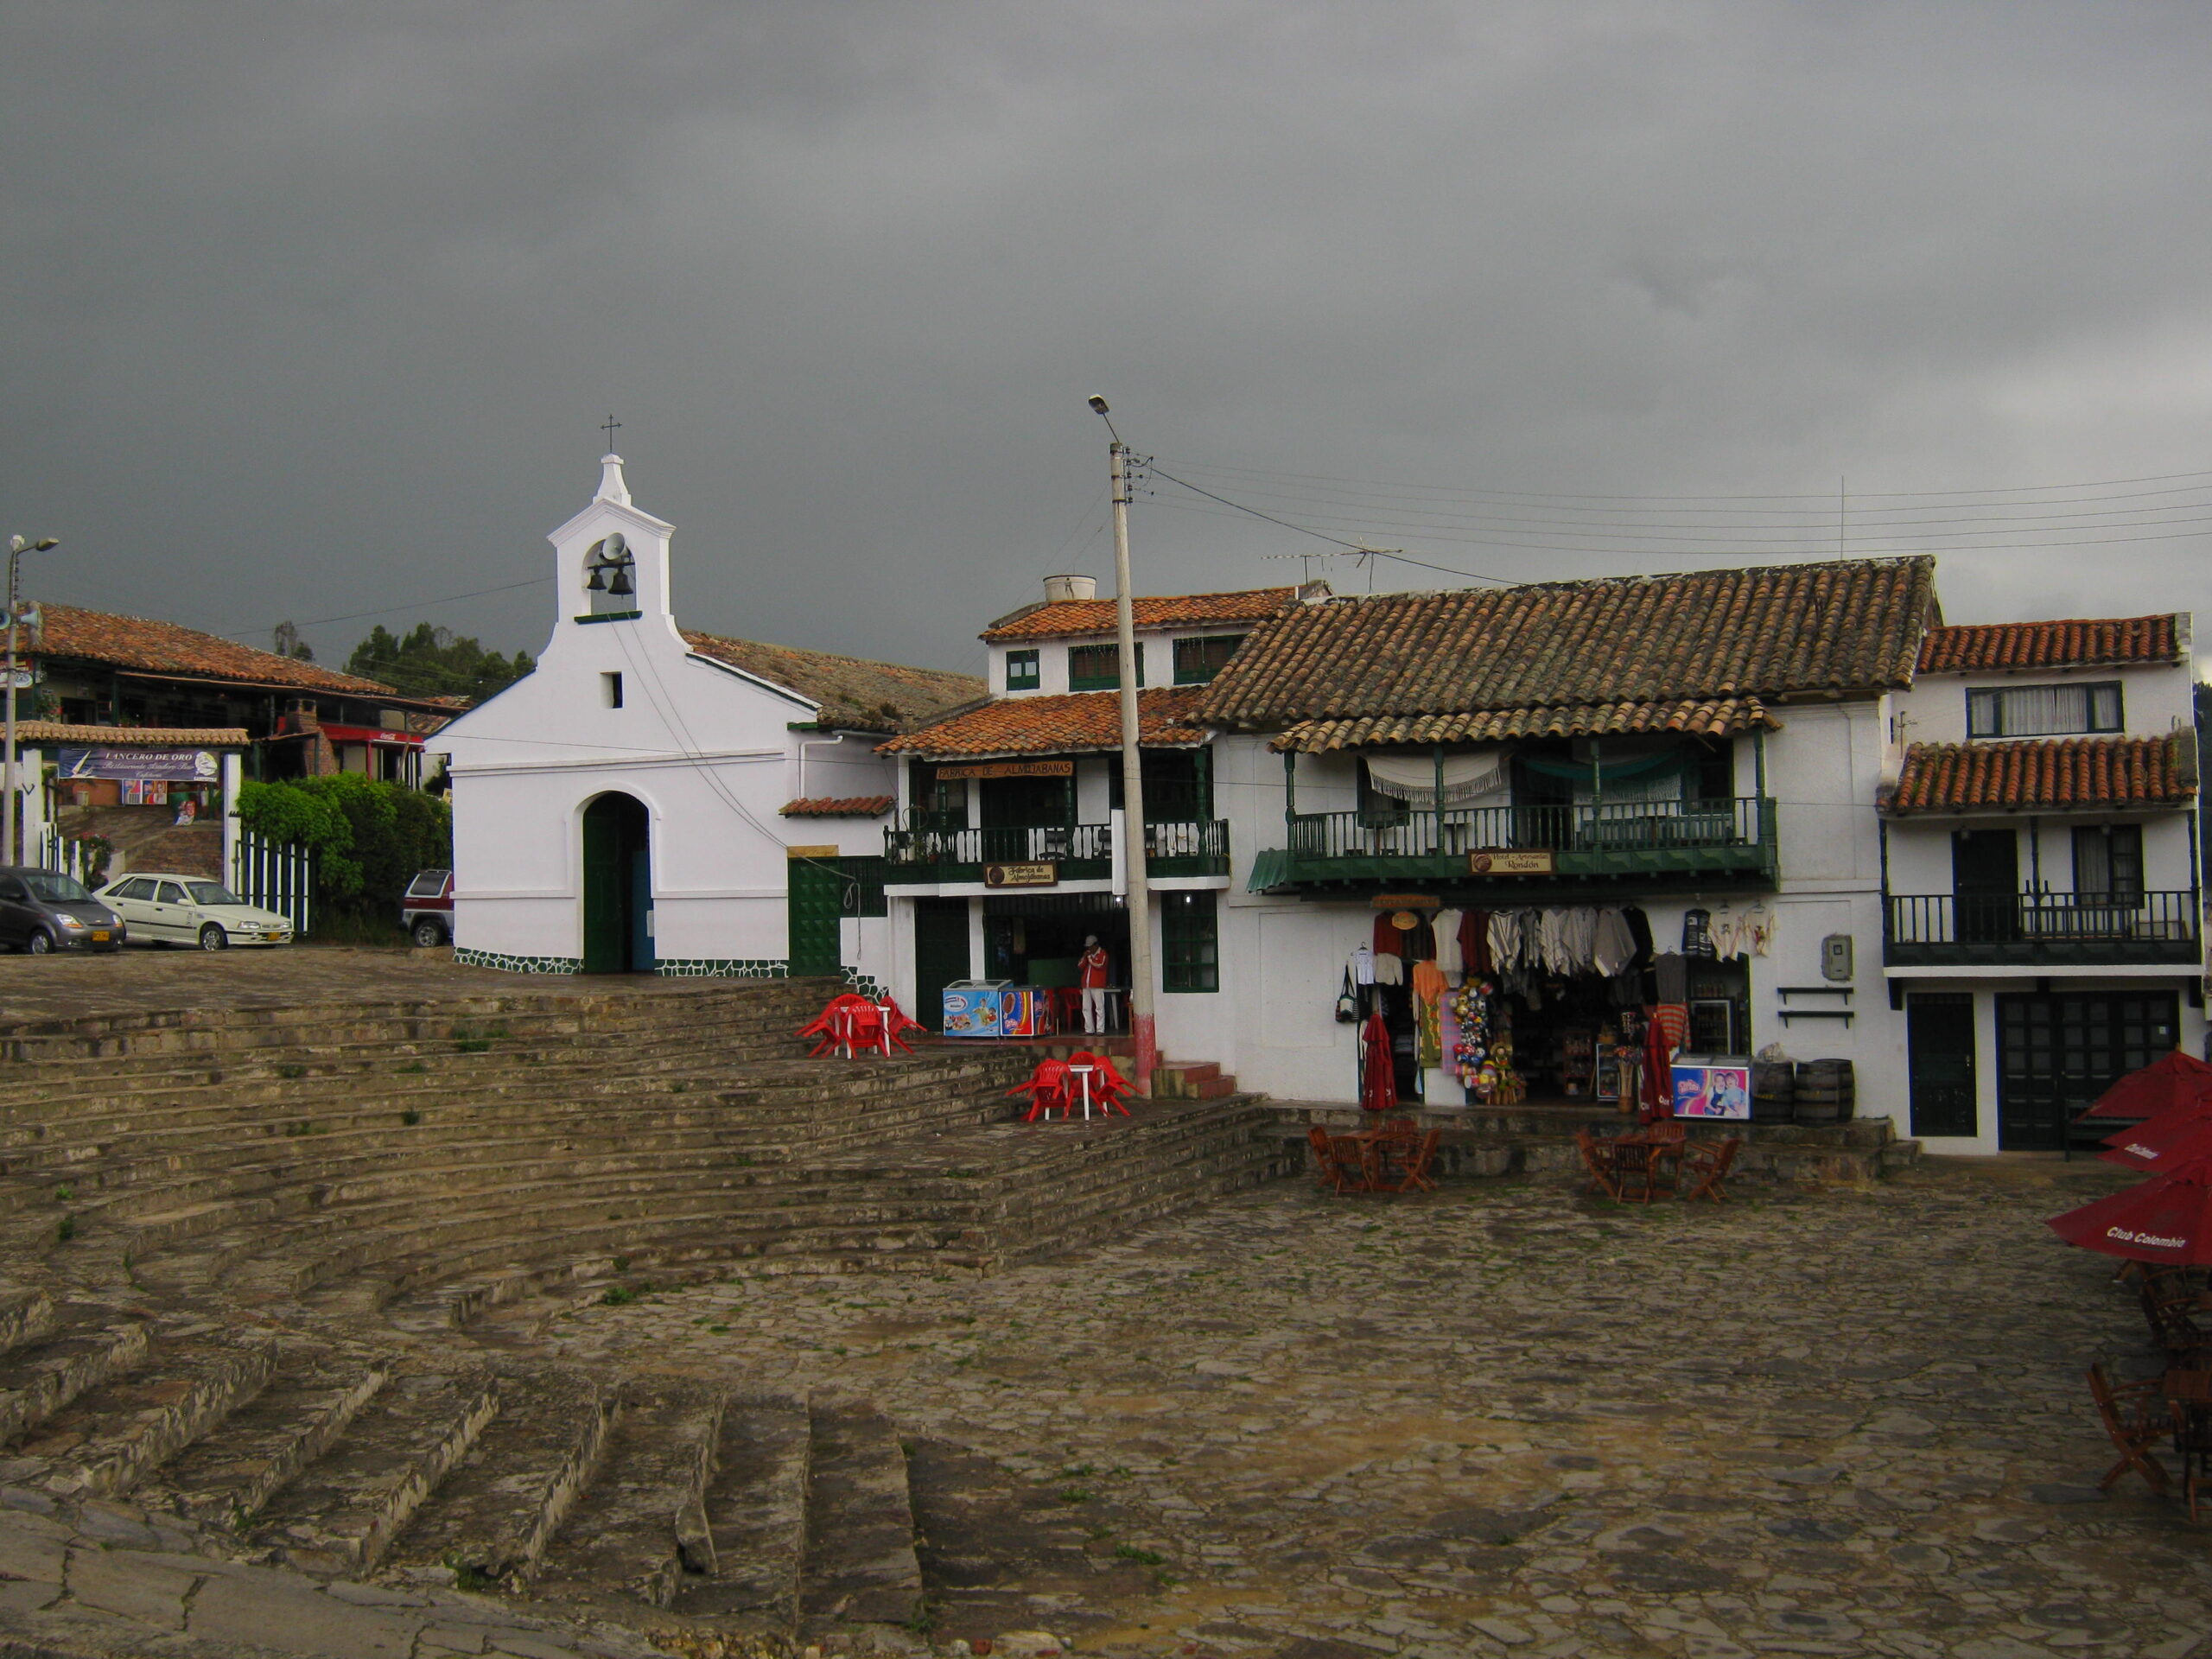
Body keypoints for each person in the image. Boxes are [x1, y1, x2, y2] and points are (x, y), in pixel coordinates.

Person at [1077, 934, 1112, 1034]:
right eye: (1088, 947)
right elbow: (1080, 966)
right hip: (1086, 986)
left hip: (1098, 985)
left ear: (1096, 945)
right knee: (1086, 1008)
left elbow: (1100, 965)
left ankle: (1100, 1029)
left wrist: (1090, 959)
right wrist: (1084, 957)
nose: (1089, 949)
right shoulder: (1088, 955)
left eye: (1091, 946)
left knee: (1099, 1008)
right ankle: (1089, 1029)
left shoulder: (1103, 954)